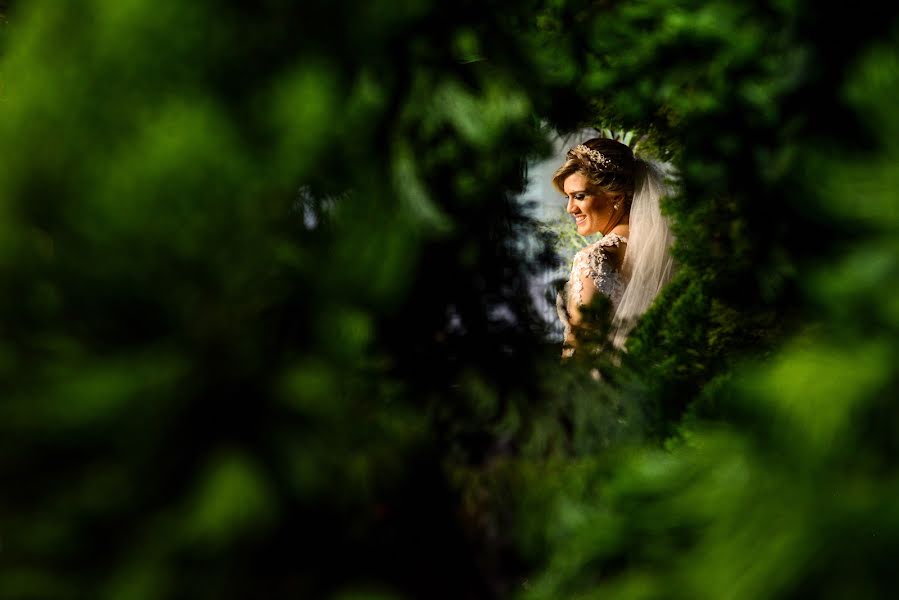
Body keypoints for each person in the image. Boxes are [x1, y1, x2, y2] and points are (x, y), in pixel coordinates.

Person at [553, 137, 676, 359]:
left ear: (616, 197)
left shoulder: (591, 259)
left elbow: (579, 349)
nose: (571, 208)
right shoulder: (666, 252)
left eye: (580, 196)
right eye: (567, 197)